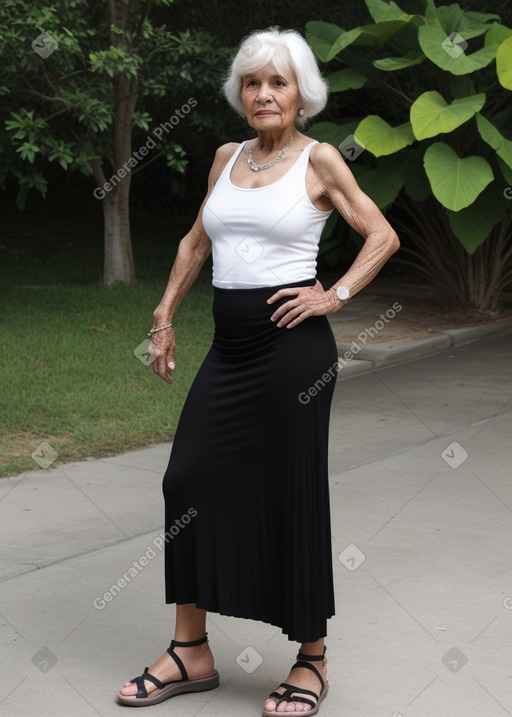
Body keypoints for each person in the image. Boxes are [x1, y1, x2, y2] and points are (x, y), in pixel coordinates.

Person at [117, 26, 399, 715]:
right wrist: (162, 314)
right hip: (230, 350)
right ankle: (192, 647)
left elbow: (382, 234)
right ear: (239, 92)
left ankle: (311, 658)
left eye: (277, 81)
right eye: (252, 82)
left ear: (301, 93)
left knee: (290, 493)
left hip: (291, 355)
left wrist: (334, 295)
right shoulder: (226, 156)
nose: (263, 93)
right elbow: (195, 240)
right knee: (185, 478)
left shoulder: (321, 159)